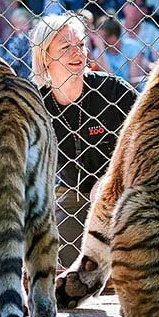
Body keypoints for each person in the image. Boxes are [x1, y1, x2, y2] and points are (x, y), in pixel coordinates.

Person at [30, 13, 138, 267]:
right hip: (72, 192)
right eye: (66, 47)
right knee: (56, 256)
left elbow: (150, 136)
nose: (77, 52)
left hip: (121, 189)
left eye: (80, 45)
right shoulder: (36, 103)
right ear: (45, 57)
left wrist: (113, 178)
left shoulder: (113, 91)